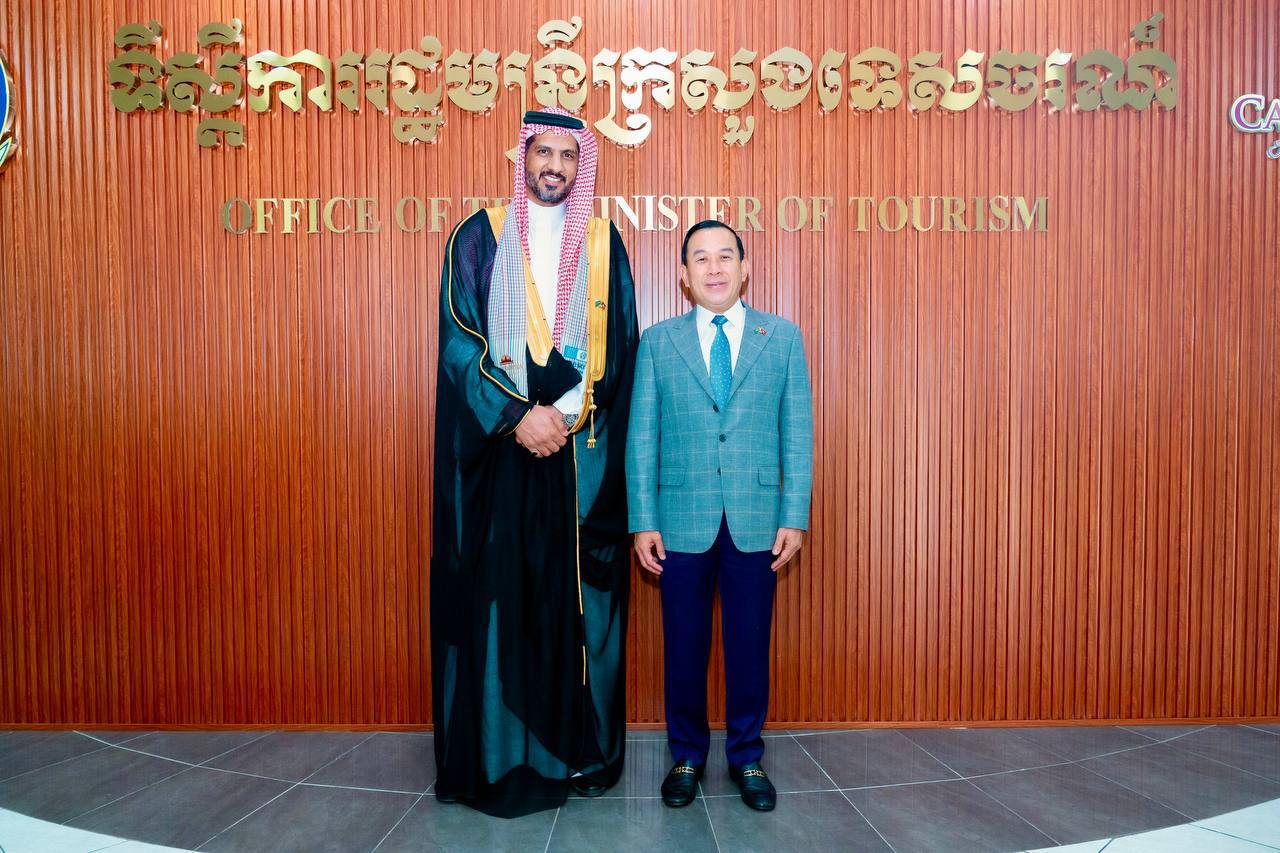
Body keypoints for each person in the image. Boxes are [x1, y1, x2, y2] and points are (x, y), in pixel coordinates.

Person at [430, 107, 639, 818]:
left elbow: (622, 347)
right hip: (501, 455)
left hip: (579, 455)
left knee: (574, 606)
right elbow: (458, 341)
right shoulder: (479, 235)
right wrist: (518, 415)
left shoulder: (605, 243)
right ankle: (499, 755)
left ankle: (580, 752)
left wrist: (571, 414)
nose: (554, 166)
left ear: (583, 167)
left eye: (567, 155)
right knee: (503, 600)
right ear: (522, 158)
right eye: (543, 152)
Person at [626, 220, 813, 812]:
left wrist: (794, 515)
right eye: (701, 259)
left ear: (744, 268)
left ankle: (747, 757)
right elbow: (642, 436)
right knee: (684, 645)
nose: (714, 268)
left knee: (750, 645)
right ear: (683, 276)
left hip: (758, 518)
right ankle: (686, 756)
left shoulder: (781, 337)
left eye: (725, 256)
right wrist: (642, 519)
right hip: (680, 519)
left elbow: (797, 432)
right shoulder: (658, 342)